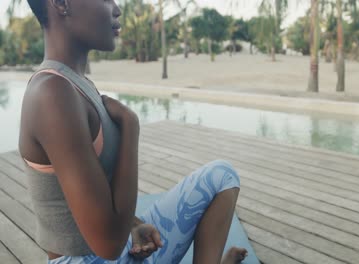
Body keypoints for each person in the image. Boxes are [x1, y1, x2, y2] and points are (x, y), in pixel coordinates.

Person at [18, 0, 247, 263]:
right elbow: (109, 246)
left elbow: (94, 193)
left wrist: (134, 223)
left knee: (222, 176)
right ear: (61, 3)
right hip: (82, 259)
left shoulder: (74, 84)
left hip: (116, 248)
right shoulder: (52, 94)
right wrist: (130, 128)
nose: (116, 9)